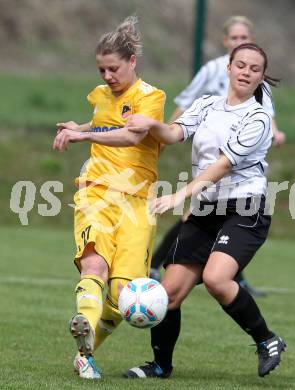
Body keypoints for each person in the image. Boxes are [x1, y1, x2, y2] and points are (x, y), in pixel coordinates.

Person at [123, 43, 286, 379]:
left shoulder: (258, 117)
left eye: (254, 69)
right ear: (228, 68)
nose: (245, 72)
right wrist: (151, 124)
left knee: (216, 278)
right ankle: (160, 366)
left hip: (244, 208)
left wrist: (180, 196)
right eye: (240, 65)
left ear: (260, 78)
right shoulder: (208, 105)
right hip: (207, 209)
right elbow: (173, 133)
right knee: (168, 294)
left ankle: (267, 340)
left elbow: (223, 166)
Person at [52, 16, 165, 379]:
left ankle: (86, 350)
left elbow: (132, 137)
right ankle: (84, 339)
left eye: (113, 69)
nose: (107, 77)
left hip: (138, 201)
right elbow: (103, 120)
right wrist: (79, 127)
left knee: (120, 297)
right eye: (101, 69)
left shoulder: (151, 98)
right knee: (94, 266)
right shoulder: (101, 95)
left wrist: (85, 137)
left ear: (132, 62)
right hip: (97, 190)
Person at [150, 16, 285, 295]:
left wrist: (274, 131)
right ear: (227, 48)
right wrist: (161, 131)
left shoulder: (256, 107)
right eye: (234, 39)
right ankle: (163, 267)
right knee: (197, 222)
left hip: (237, 173)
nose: (240, 43)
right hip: (209, 175)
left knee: (224, 226)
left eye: (244, 38)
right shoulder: (211, 74)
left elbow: (266, 115)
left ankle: (231, 280)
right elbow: (185, 105)